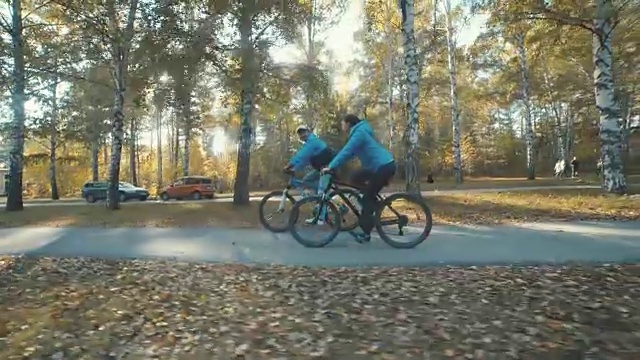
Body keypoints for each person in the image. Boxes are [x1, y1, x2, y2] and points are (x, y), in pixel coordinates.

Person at [321, 114, 396, 243]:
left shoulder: (359, 133)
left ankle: (366, 233)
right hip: (377, 167)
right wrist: (333, 163)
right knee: (355, 178)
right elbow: (349, 154)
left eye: (343, 123)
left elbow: (347, 150)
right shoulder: (359, 132)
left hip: (383, 167)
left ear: (349, 124)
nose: (342, 126)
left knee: (366, 198)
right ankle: (374, 203)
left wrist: (331, 166)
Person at [284, 125, 336, 223]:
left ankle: (320, 218)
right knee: (307, 179)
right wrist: (295, 169)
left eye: (303, 132)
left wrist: (289, 165)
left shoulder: (312, 141)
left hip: (327, 167)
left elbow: (301, 155)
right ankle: (322, 200)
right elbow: (305, 160)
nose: (302, 135)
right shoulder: (308, 144)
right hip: (321, 168)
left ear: (308, 132)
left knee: (321, 191)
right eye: (300, 133)